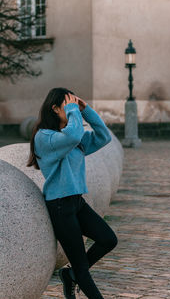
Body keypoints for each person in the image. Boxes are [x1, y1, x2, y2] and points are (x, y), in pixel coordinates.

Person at [27, 87, 118, 299]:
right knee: (82, 268)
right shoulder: (45, 137)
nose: (72, 109)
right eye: (67, 105)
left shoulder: (73, 136)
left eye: (74, 105)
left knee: (108, 239)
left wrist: (85, 111)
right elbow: (73, 135)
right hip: (60, 206)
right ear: (55, 108)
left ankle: (70, 274)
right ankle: (76, 273)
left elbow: (104, 136)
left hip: (77, 202)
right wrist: (74, 113)